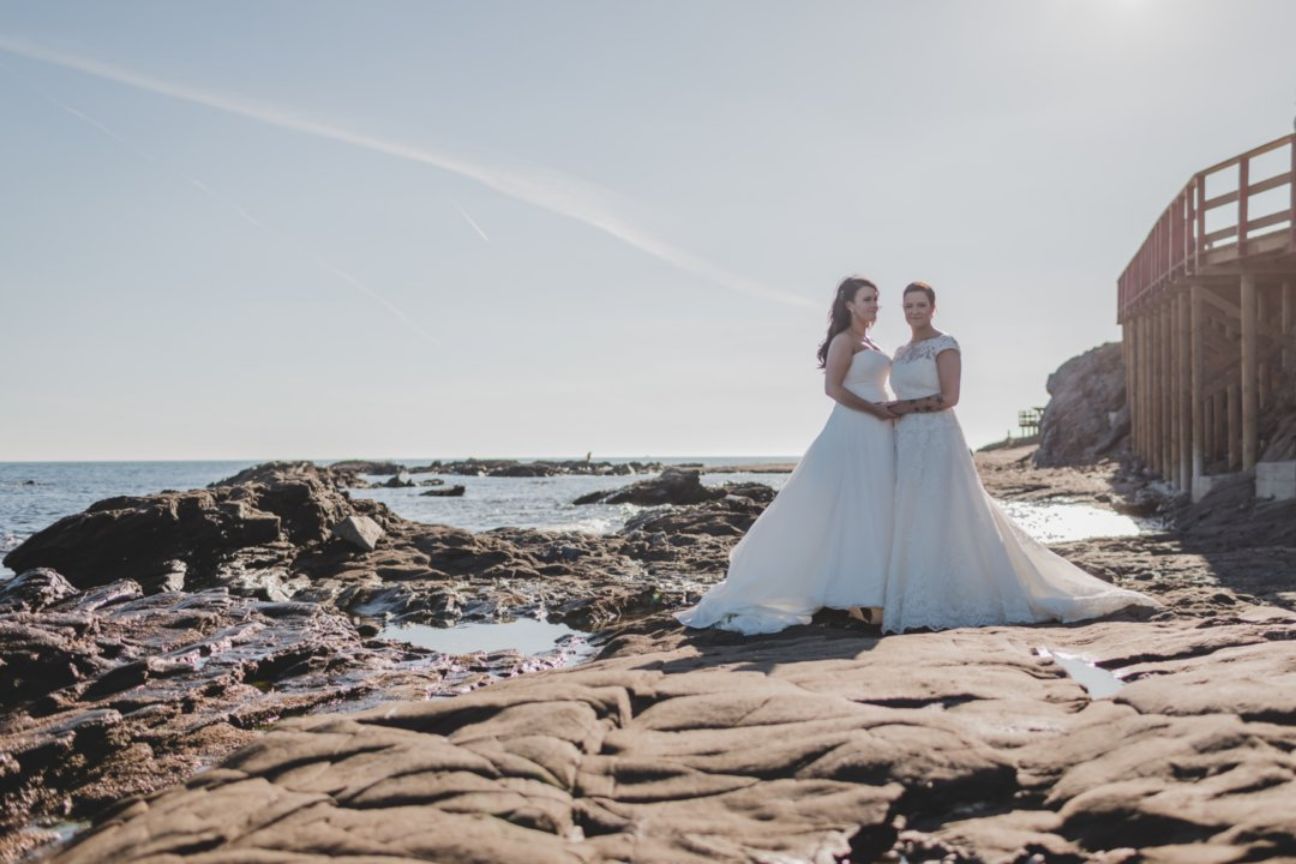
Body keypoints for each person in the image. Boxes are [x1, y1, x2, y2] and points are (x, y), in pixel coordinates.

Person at [881, 282, 1159, 633]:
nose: (914, 311)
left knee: (947, 509)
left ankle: (959, 595)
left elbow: (950, 397)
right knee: (914, 511)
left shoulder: (945, 345)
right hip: (906, 440)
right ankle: (915, 595)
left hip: (937, 437)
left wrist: (900, 407)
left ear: (933, 308)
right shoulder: (902, 351)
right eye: (908, 306)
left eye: (920, 305)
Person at [675, 276, 898, 634]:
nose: (874, 305)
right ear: (849, 305)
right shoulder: (844, 341)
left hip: (879, 431)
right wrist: (876, 411)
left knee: (871, 504)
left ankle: (867, 588)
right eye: (868, 299)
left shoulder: (869, 341)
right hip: (855, 429)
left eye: (876, 299)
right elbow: (833, 389)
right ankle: (856, 593)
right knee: (851, 504)